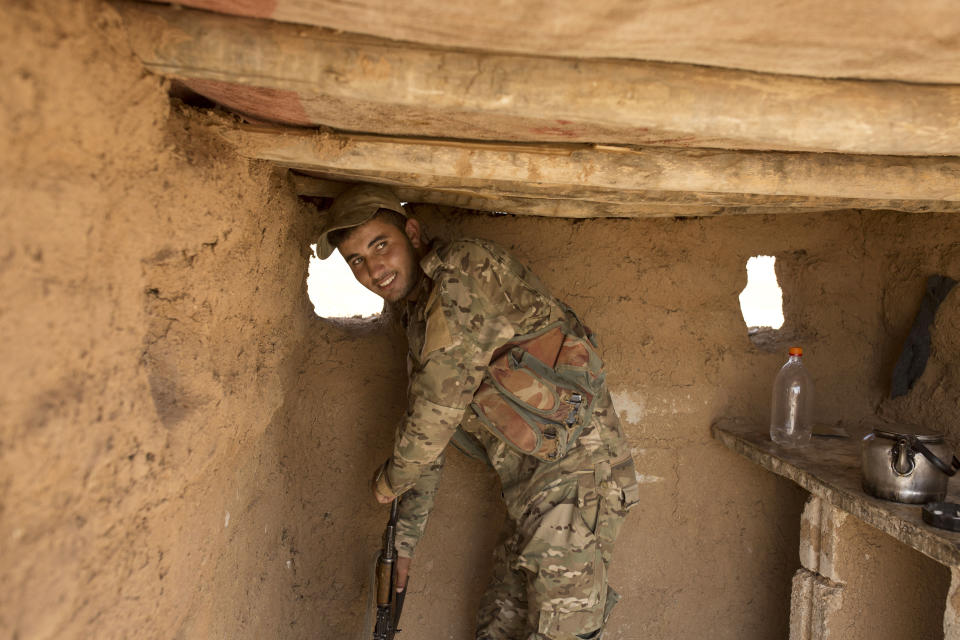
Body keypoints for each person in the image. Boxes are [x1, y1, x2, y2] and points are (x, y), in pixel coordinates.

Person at [318, 184, 639, 640]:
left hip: (577, 480)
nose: (373, 269)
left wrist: (389, 481)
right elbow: (428, 435)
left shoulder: (463, 271)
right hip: (530, 493)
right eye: (356, 261)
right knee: (499, 626)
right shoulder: (418, 319)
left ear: (411, 231)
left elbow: (437, 411)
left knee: (562, 632)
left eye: (380, 245)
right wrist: (403, 544)